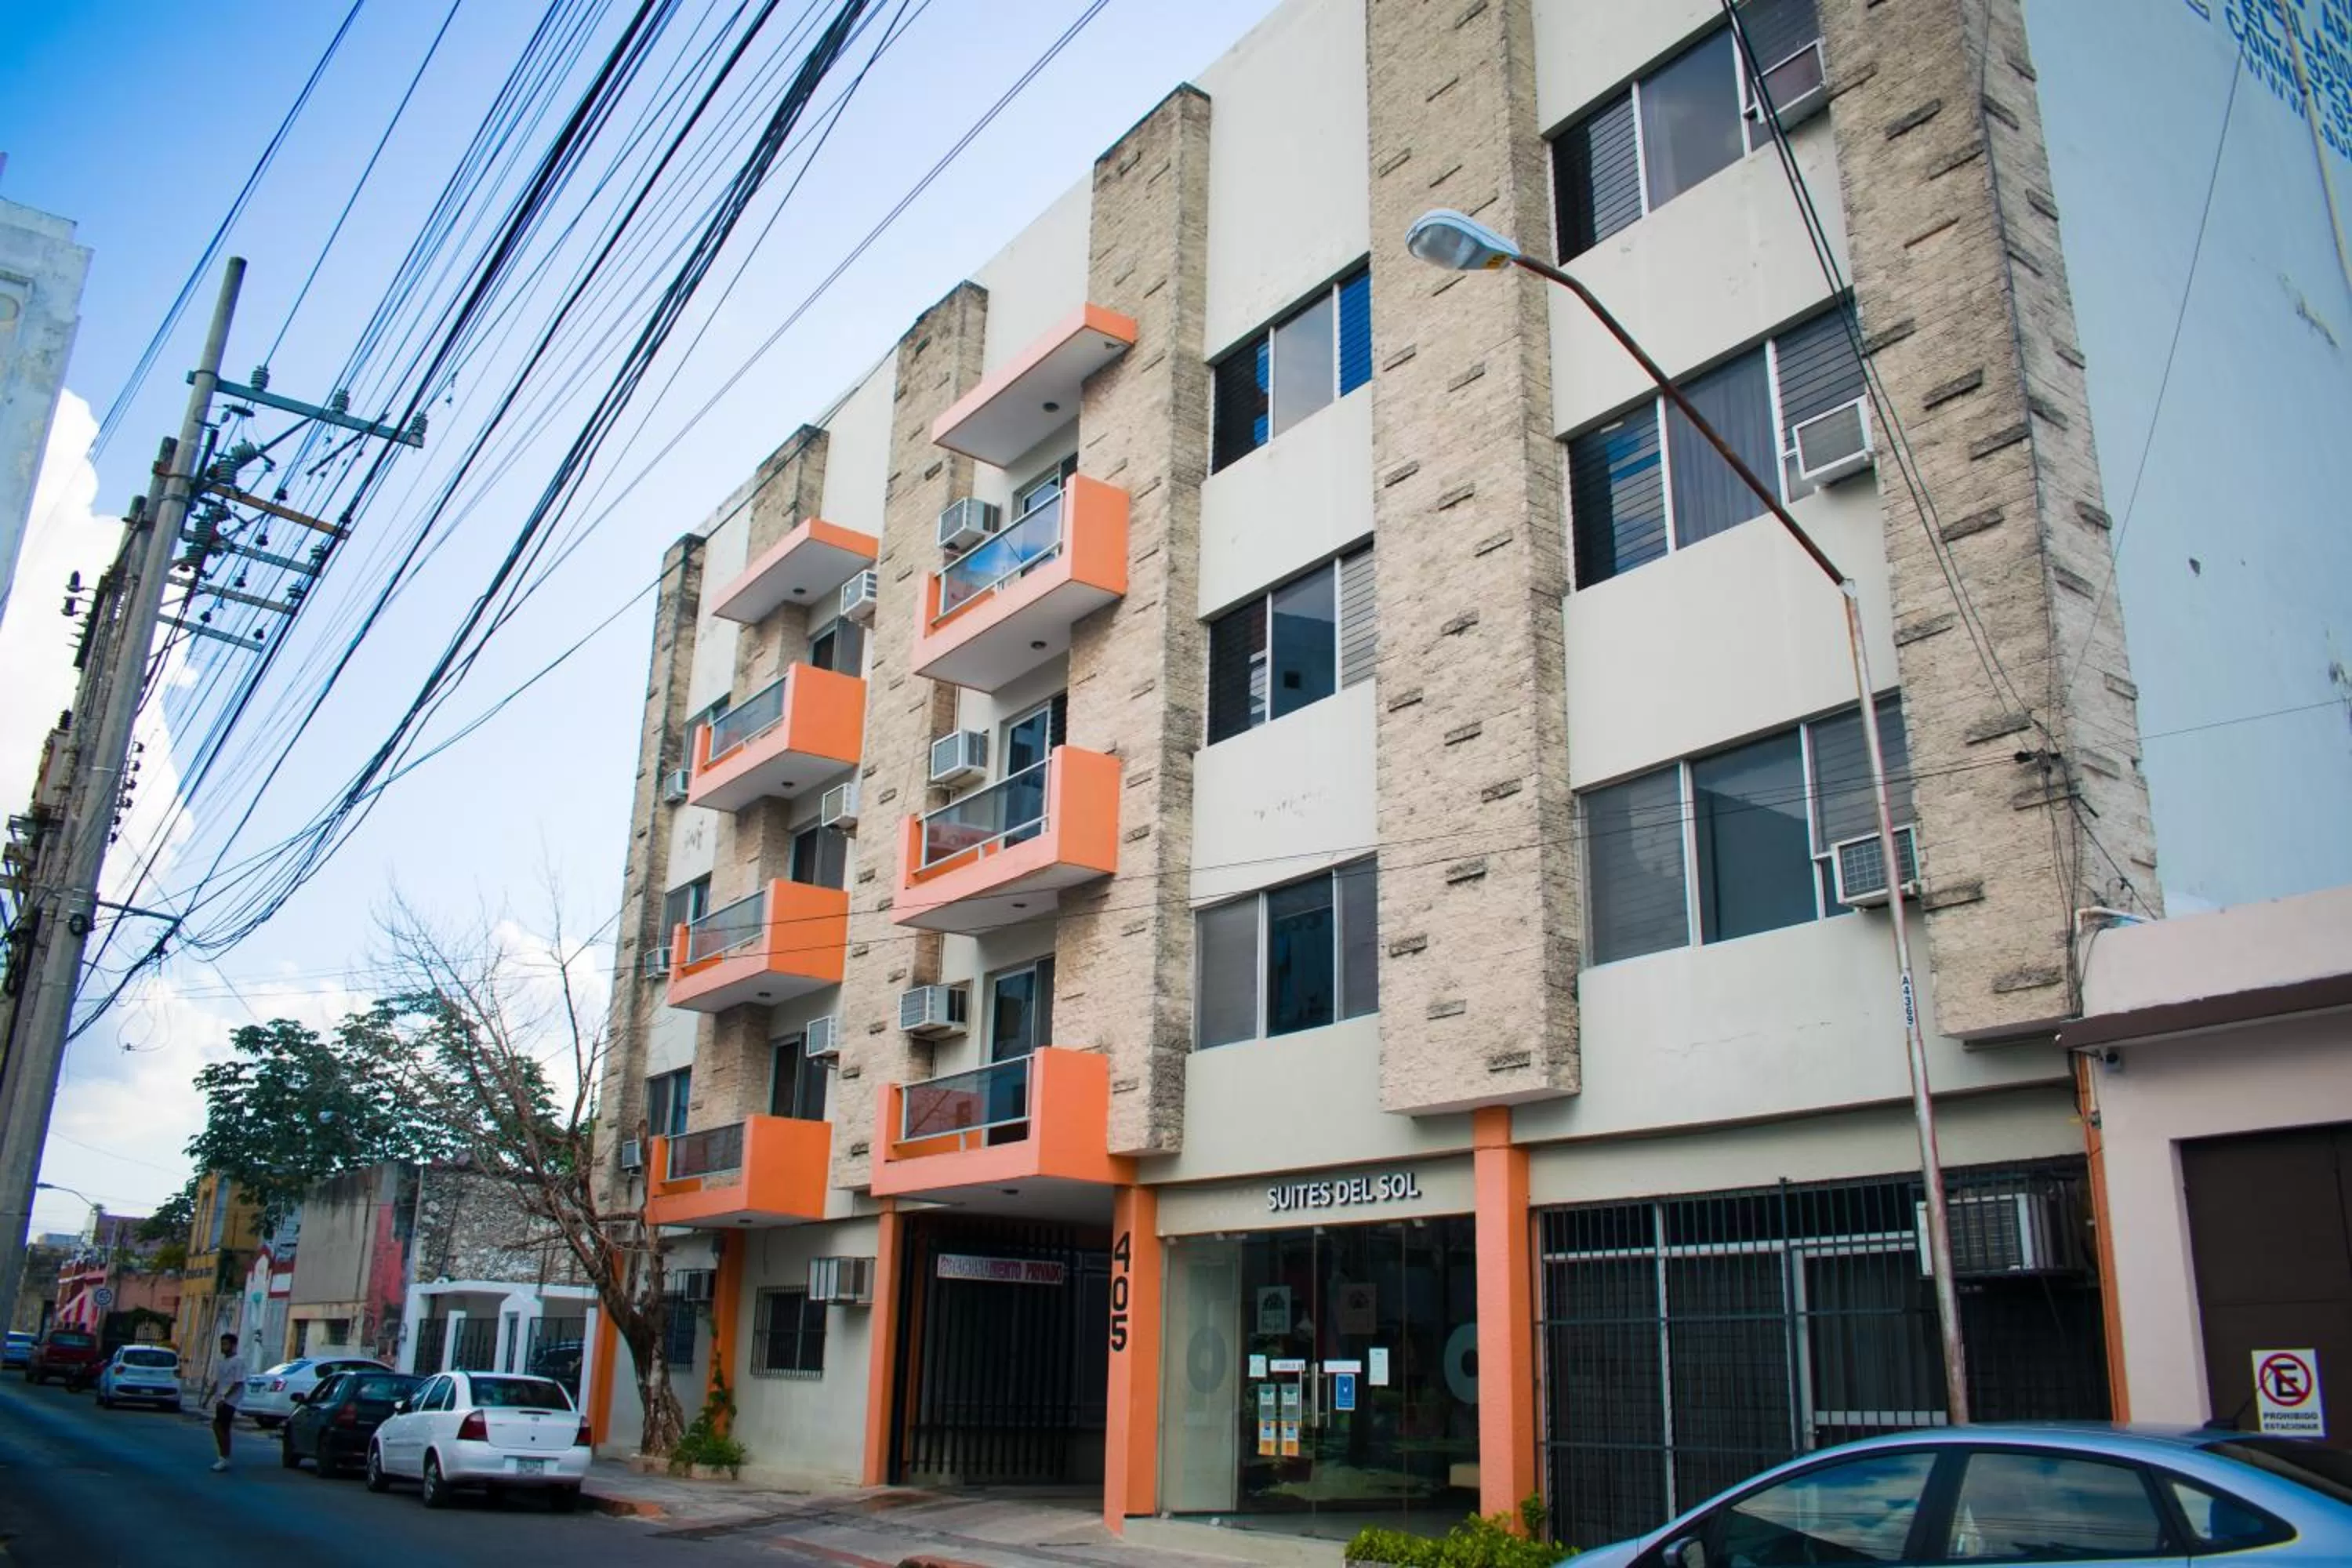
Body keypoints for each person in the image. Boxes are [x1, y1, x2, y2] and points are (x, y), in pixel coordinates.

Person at [202, 1332, 250, 1473]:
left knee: (219, 1426)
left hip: (231, 1401)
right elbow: (218, 1381)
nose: (223, 1347)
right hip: (221, 1399)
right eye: (222, 1344)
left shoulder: (238, 1361)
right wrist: (208, 1398)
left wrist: (225, 1397)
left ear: (233, 1345)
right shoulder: (222, 1362)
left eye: (226, 1344)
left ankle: (224, 1457)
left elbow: (238, 1382)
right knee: (222, 1428)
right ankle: (224, 1456)